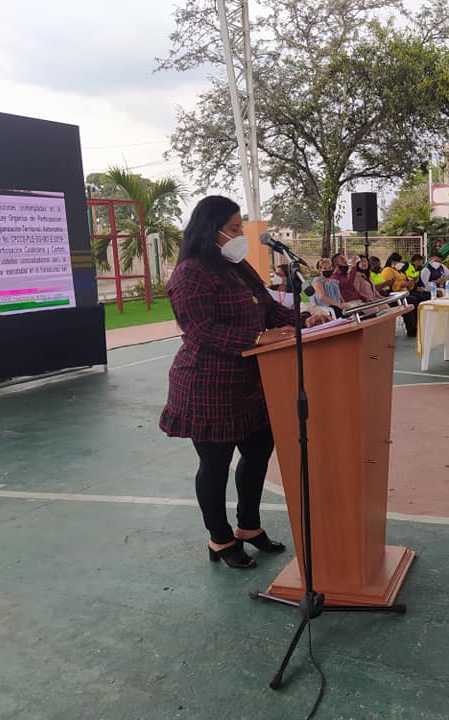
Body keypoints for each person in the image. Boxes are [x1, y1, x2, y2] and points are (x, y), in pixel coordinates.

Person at [159, 195, 328, 570]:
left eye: (240, 227)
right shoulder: (190, 273)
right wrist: (257, 338)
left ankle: (248, 526)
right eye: (234, 229)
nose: (240, 235)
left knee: (258, 452)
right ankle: (219, 538)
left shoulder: (237, 267)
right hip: (208, 384)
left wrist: (304, 319)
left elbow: (268, 309)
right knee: (215, 465)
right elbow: (200, 329)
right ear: (211, 229)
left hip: (250, 383)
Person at [380, 252, 420, 337]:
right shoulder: (388, 270)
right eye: (398, 262)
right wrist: (403, 284)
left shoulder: (400, 272)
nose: (400, 264)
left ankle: (416, 326)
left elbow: (407, 283)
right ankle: (411, 329)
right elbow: (390, 286)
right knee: (411, 301)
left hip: (404, 293)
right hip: (394, 296)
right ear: (392, 261)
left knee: (416, 299)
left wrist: (411, 283)